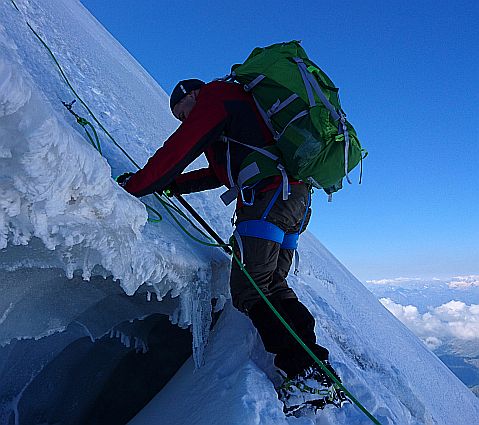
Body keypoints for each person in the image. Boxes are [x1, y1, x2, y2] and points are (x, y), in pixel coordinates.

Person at [118, 78, 343, 408]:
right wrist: (173, 186)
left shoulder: (216, 98)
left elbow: (179, 148)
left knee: (251, 289)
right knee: (273, 284)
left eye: (183, 112)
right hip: (293, 199)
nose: (184, 120)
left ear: (193, 94)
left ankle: (305, 374)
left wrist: (138, 185)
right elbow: (218, 175)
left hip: (268, 200)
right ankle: (316, 371)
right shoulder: (239, 114)